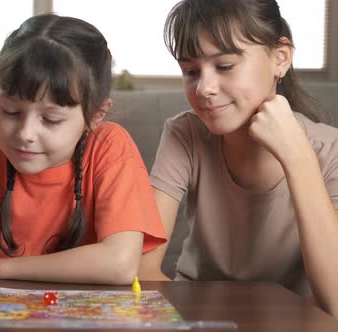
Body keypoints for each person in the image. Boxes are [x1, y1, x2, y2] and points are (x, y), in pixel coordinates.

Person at [0, 14, 166, 292]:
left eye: (51, 120)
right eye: (11, 111)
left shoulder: (110, 146)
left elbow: (120, 263)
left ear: (96, 114)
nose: (25, 134)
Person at [141, 0, 338, 318]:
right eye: (191, 71)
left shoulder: (330, 149)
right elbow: (143, 269)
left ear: (280, 58)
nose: (204, 88)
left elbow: (336, 301)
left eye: (225, 66)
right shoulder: (184, 134)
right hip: (198, 318)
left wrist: (298, 157)